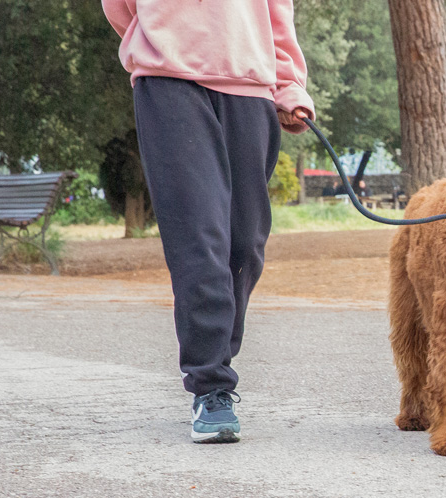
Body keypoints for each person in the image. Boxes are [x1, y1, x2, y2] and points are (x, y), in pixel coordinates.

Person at [102, 0, 315, 444]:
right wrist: (159, 40)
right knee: (200, 238)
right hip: (169, 80)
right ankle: (211, 385)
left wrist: (289, 85)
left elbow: (276, 10)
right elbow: (120, 7)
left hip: (250, 86)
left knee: (244, 244)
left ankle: (215, 360)